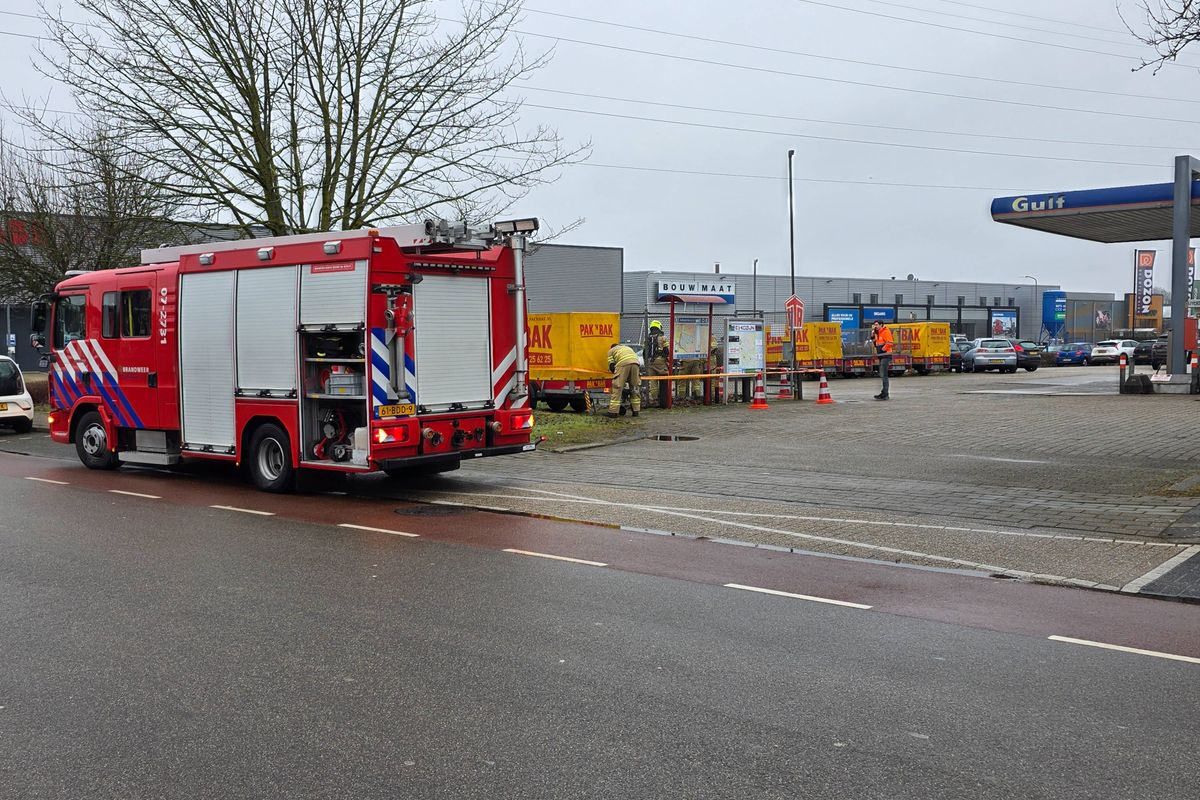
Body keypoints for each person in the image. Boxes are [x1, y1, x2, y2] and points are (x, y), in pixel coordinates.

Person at [606, 342, 641, 417]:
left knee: (617, 387)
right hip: (635, 363)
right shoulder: (627, 348)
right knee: (634, 387)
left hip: (623, 364)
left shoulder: (611, 351)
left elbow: (612, 366)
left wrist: (616, 374)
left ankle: (613, 412)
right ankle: (636, 410)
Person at [644, 320, 669, 407]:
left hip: (650, 362)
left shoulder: (647, 338)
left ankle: (655, 400)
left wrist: (646, 362)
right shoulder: (662, 337)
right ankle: (664, 401)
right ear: (659, 327)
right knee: (664, 380)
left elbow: (644, 352)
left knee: (653, 381)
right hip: (660, 361)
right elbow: (667, 351)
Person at [871, 320, 894, 400]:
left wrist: (883, 350)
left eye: (876, 325)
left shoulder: (885, 331)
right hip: (881, 356)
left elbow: (890, 343)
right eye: (874, 325)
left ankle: (885, 394)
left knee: (883, 375)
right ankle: (884, 393)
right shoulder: (878, 333)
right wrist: (873, 336)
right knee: (882, 375)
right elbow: (876, 345)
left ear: (881, 325)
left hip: (885, 355)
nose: (875, 326)